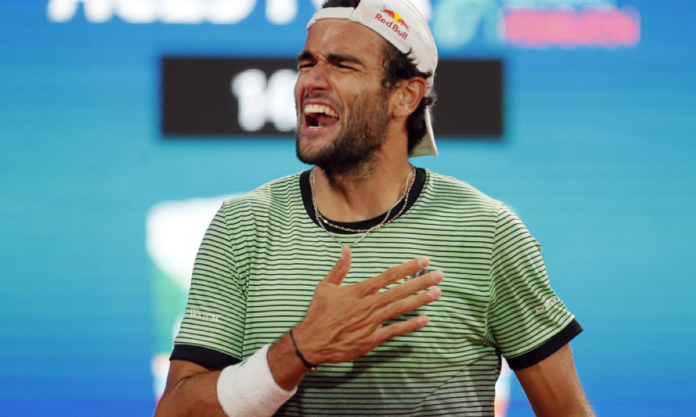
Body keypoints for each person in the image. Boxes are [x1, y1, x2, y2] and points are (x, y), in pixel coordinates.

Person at [154, 0, 594, 416]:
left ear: (405, 96)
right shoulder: (242, 226)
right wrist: (297, 350)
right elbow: (175, 410)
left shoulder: (488, 231)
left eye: (342, 64)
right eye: (307, 64)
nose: (311, 81)